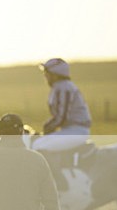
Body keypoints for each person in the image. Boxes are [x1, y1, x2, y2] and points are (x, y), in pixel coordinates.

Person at [31, 58, 92, 188]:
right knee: (37, 143)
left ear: (55, 74)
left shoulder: (63, 88)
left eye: (46, 73)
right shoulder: (60, 87)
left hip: (76, 131)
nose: (45, 76)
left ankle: (58, 183)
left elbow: (61, 117)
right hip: (70, 130)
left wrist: (46, 128)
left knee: (39, 147)